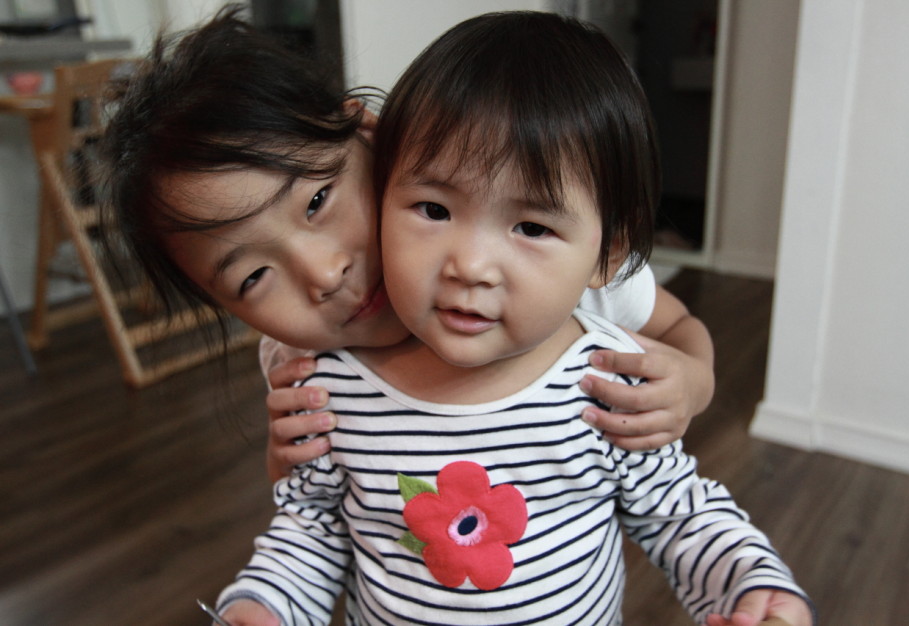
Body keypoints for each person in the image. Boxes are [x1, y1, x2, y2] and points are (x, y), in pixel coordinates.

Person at [214, 11, 814, 626]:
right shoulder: (328, 390)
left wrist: (753, 588)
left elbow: (679, 513)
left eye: (531, 226)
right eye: (433, 209)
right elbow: (313, 528)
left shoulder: (607, 384)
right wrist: (264, 607)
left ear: (606, 255)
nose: (470, 266)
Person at [99, 4, 714, 483]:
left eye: (316, 202)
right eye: (252, 278)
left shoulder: (561, 273)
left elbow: (680, 329)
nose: (324, 275)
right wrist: (284, 463)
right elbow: (312, 515)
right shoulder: (300, 365)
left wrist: (692, 381)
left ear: (369, 135)